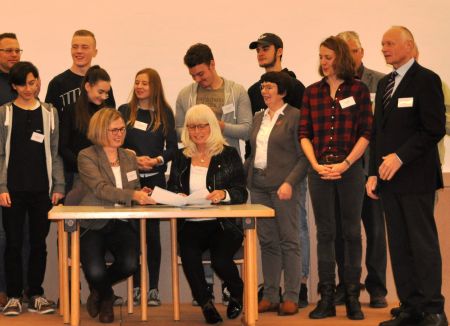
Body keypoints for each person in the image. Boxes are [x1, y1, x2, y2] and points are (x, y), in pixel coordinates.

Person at [367, 26, 447, 326]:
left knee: (422, 244)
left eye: (390, 43)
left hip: (416, 178)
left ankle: (433, 310)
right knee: (399, 245)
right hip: (388, 181)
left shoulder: (426, 80)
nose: (384, 48)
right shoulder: (386, 83)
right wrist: (374, 172)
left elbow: (433, 128)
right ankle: (411, 307)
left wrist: (400, 157)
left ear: (409, 46)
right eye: (382, 43)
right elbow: (378, 134)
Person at [299, 36, 373, 320]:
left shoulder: (359, 90)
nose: (323, 62)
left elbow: (366, 132)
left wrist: (345, 163)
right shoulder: (311, 92)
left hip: (350, 170)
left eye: (328, 56)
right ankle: (327, 297)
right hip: (319, 172)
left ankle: (352, 296)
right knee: (326, 233)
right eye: (321, 57)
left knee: (352, 232)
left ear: (340, 57)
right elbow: (304, 134)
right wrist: (317, 164)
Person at [175, 43, 252, 305]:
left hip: (224, 171)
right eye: (193, 75)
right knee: (192, 245)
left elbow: (246, 129)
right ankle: (204, 295)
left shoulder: (236, 91)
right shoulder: (186, 95)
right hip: (195, 198)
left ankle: (234, 292)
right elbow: (179, 130)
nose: (198, 80)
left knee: (221, 252)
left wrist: (217, 126)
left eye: (201, 74)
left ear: (212, 64)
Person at [168, 104, 247, 324]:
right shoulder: (181, 156)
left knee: (220, 260)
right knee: (190, 256)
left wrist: (223, 194)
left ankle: (237, 290)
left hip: (223, 223)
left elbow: (241, 191)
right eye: (192, 127)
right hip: (191, 223)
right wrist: (179, 195)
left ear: (211, 126)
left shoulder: (228, 154)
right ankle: (206, 304)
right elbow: (172, 187)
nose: (197, 131)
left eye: (202, 126)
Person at [247, 32, 309, 308]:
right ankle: (271, 294)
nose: (264, 91)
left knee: (289, 241)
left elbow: (304, 157)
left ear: (282, 91)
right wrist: (247, 178)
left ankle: (292, 296)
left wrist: (290, 183)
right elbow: (253, 151)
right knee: (268, 242)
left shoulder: (295, 116)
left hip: (284, 187)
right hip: (258, 187)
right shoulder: (259, 117)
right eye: (263, 88)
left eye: (269, 87)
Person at [77, 108, 155, 323]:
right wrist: (133, 194)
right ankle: (108, 296)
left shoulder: (129, 156)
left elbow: (134, 185)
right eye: (114, 130)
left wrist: (142, 193)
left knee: (130, 264)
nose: (120, 134)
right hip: (93, 222)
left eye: (122, 129)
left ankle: (99, 293)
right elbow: (101, 189)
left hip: (121, 221)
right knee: (93, 271)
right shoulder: (86, 156)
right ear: (100, 130)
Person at [0, 61, 65, 316]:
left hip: (42, 190)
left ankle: (36, 293)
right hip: (12, 190)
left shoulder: (50, 113)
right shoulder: (4, 113)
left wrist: (58, 184)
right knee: (13, 243)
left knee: (39, 243)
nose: (29, 88)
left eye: (33, 82)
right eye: (23, 84)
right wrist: (2, 186)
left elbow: (55, 151)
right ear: (14, 86)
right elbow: (1, 153)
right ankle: (14, 296)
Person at [335, 30, 387, 308]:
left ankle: (377, 289)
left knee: (376, 231)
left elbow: (385, 128)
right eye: (344, 51)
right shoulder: (334, 85)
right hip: (344, 171)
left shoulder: (380, 81)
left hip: (374, 169)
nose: (350, 55)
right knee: (346, 231)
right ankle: (347, 286)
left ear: (362, 52)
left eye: (353, 50)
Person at [118, 68, 177, 307]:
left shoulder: (165, 113)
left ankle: (153, 288)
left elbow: (173, 147)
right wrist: (132, 157)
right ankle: (137, 287)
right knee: (132, 235)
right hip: (131, 181)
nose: (140, 86)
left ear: (155, 87)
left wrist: (157, 160)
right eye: (137, 82)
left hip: (155, 181)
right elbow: (115, 143)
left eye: (145, 83)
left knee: (152, 235)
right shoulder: (124, 111)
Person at [59, 65, 111, 192]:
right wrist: (83, 165)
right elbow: (62, 147)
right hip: (77, 174)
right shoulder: (70, 110)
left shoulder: (106, 112)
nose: (104, 97)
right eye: (100, 92)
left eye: (106, 93)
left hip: (103, 174)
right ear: (88, 86)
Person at [45, 29, 115, 119]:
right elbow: (50, 121)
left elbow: (111, 119)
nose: (79, 51)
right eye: (75, 47)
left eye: (84, 47)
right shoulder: (57, 83)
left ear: (95, 52)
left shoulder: (103, 85)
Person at [0, 32, 22, 308]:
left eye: (17, 50)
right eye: (7, 50)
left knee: (22, 237)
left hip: (22, 174)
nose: (13, 55)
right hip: (1, 173)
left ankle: (23, 291)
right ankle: (3, 290)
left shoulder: (22, 83)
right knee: (3, 238)